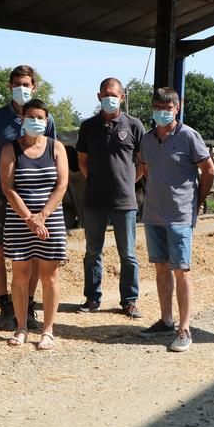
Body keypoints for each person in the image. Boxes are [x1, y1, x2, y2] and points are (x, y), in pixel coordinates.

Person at [139, 87, 214, 352]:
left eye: (167, 108)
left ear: (177, 108)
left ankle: (185, 328)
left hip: (180, 215)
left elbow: (209, 170)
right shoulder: (148, 139)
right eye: (157, 108)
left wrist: (197, 201)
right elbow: (145, 167)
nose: (162, 112)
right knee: (161, 268)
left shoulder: (189, 136)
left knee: (181, 270)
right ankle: (166, 320)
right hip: (153, 213)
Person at [0, 65, 57, 330]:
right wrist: (3, 185)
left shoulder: (43, 116)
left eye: (26, 84)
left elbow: (51, 153)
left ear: (34, 86)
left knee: (34, 251)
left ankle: (28, 304)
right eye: (16, 83)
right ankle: (4, 304)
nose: (21, 88)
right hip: (2, 195)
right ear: (9, 86)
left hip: (36, 198)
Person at [0, 99, 68, 350]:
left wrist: (43, 216)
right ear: (22, 119)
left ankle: (48, 330)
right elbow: (8, 188)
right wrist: (29, 218)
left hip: (50, 221)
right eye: (31, 117)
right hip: (20, 221)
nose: (36, 121)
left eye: (40, 117)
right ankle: (21, 327)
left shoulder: (57, 148)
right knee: (20, 274)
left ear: (47, 120)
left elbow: (61, 185)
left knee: (50, 275)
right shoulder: (10, 149)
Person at [76, 77, 146, 318]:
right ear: (98, 96)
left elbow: (142, 162)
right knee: (93, 252)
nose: (110, 98)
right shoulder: (87, 127)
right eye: (105, 94)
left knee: (128, 254)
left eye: (114, 94)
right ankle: (92, 298)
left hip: (125, 201)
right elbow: (82, 162)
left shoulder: (135, 125)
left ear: (122, 97)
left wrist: (128, 183)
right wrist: (95, 180)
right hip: (94, 200)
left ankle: (129, 300)